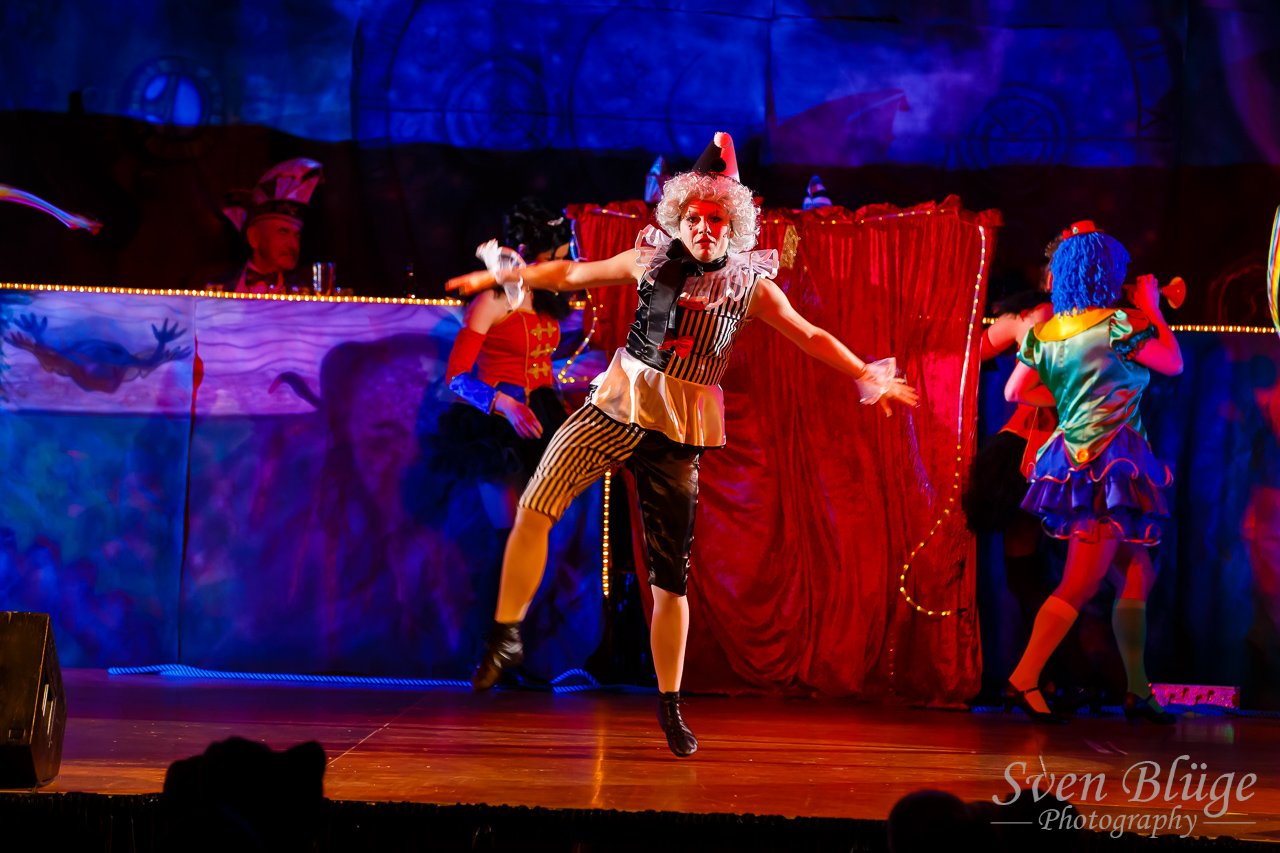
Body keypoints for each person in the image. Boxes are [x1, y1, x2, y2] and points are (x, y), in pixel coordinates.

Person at [446, 132, 919, 756]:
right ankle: (506, 635)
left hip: (678, 429)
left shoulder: (749, 286)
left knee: (670, 580)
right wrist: (512, 274)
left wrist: (866, 373)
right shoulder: (649, 260)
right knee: (536, 506)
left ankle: (670, 705)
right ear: (678, 218)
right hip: (617, 406)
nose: (702, 228)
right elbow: (574, 272)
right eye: (693, 217)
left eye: (715, 219)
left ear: (733, 224)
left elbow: (809, 335)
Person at [1003, 221, 1183, 724]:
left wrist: (1069, 398)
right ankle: (1023, 678)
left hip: (1077, 458)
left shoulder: (1045, 332)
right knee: (1081, 581)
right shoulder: (1119, 325)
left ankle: (1137, 689)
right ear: (1105, 272)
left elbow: (1014, 392)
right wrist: (1152, 307)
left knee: (1138, 570)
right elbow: (1172, 363)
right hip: (1109, 467)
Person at [430, 199, 578, 527]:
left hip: (542, 414)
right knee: (509, 528)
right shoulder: (491, 301)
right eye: (551, 259)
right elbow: (456, 377)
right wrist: (505, 404)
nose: (557, 268)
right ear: (525, 254)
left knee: (541, 526)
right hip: (497, 421)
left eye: (562, 259)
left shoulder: (546, 299)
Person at [206, 158, 324, 294]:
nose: (294, 245)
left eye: (297, 235)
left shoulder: (307, 294)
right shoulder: (214, 285)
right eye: (283, 232)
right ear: (254, 237)